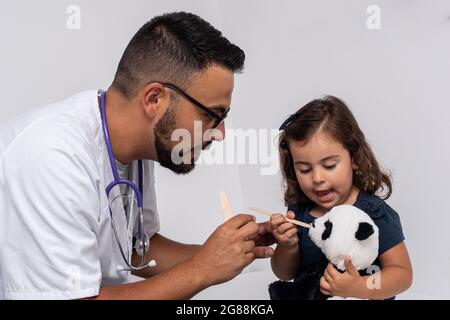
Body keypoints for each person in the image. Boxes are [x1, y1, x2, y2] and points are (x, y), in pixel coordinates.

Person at [0, 11, 274, 300]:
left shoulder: (138, 147)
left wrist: (232, 250)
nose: (220, 133)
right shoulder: (51, 157)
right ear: (154, 99)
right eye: (211, 115)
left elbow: (136, 248)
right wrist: (201, 269)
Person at [269, 95, 413, 299]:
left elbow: (402, 274)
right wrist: (287, 245)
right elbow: (284, 274)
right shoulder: (299, 212)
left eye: (329, 166)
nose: (317, 178)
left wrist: (360, 287)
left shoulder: (374, 212)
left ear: (354, 158)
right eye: (304, 169)